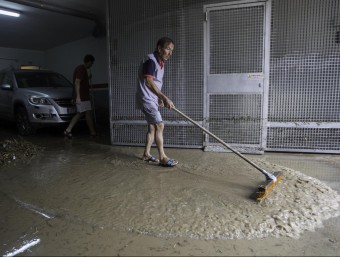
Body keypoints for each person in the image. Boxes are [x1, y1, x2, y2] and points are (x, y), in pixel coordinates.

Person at [136, 37, 178, 167]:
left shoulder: (160, 62)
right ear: (159, 48)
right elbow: (148, 82)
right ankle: (163, 157)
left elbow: (155, 83)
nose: (170, 53)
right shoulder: (151, 61)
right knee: (160, 125)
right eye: (168, 49)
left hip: (151, 98)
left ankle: (146, 154)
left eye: (172, 50)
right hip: (146, 99)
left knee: (153, 127)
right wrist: (165, 98)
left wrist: (159, 97)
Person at [64, 54, 96, 139]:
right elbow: (77, 82)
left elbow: (81, 81)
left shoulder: (82, 69)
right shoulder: (81, 69)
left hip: (83, 96)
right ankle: (68, 130)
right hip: (82, 97)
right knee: (81, 113)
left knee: (84, 113)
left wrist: (88, 77)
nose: (92, 65)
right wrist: (77, 97)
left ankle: (92, 132)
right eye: (92, 63)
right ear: (89, 62)